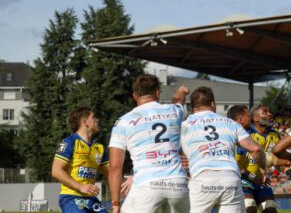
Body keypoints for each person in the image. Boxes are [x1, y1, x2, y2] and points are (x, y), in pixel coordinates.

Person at [181, 87, 271, 213]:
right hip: (230, 178)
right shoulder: (230, 123)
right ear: (213, 104)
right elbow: (256, 149)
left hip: (202, 178)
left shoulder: (185, 126)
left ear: (192, 106)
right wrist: (262, 170)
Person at [108, 75, 190, 213]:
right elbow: (178, 100)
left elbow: (115, 167)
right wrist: (182, 91)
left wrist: (116, 203)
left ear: (134, 96)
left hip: (147, 184)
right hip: (178, 183)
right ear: (157, 93)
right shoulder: (174, 111)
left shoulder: (124, 121)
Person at [52, 107, 108, 213]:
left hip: (90, 199)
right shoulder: (69, 142)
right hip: (71, 197)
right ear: (85, 122)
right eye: (94, 117)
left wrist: (129, 180)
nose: (98, 120)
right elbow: (56, 171)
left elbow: (112, 173)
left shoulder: (99, 148)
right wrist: (80, 186)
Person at [241, 104, 281, 213]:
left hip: (261, 181)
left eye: (269, 111)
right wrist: (253, 176)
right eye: (265, 111)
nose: (270, 114)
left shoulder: (274, 135)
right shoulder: (244, 134)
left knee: (271, 209)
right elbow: (236, 164)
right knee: (250, 207)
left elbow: (278, 160)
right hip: (243, 180)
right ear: (255, 118)